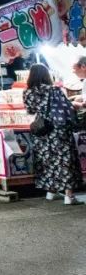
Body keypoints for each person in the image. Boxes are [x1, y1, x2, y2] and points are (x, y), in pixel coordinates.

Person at [23, 64, 82, 206]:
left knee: (47, 161)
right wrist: (75, 105)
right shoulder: (54, 90)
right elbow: (66, 108)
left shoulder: (27, 92)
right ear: (46, 75)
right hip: (58, 130)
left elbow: (30, 111)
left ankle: (50, 192)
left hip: (41, 130)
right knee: (64, 161)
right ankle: (69, 196)